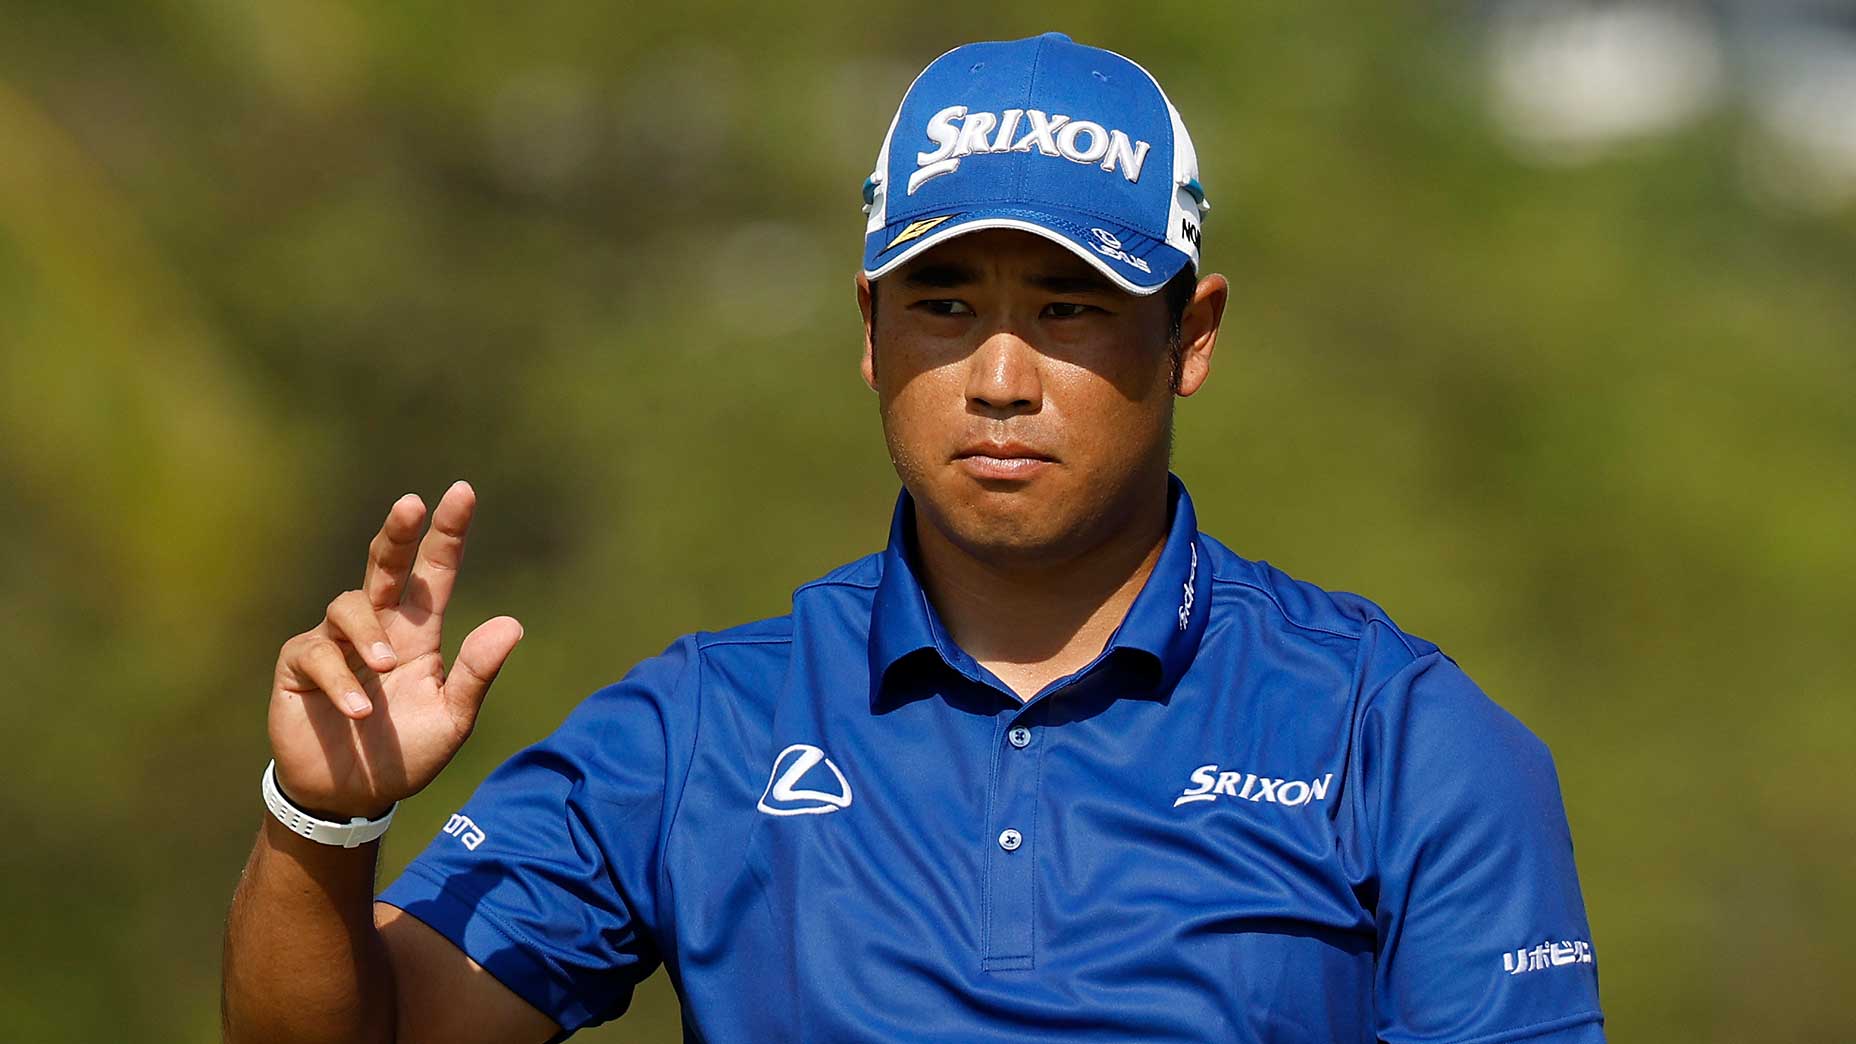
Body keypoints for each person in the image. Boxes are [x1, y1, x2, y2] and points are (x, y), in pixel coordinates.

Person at [222, 32, 1605, 1044]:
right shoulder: (708, 722)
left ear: (1191, 338)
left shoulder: (1399, 734)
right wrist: (323, 823)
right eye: (944, 306)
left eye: (1069, 309)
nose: (1000, 375)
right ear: (868, 336)